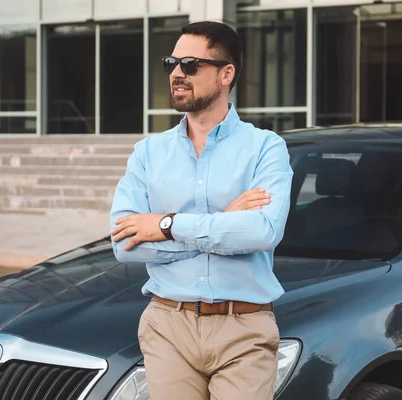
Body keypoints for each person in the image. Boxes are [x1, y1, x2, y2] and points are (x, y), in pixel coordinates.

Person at [109, 20, 293, 400]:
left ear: (226, 74)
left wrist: (165, 224)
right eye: (171, 63)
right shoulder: (148, 153)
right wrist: (223, 224)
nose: (177, 73)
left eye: (190, 64)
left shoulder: (265, 148)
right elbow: (125, 242)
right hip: (167, 324)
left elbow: (262, 232)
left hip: (244, 327)